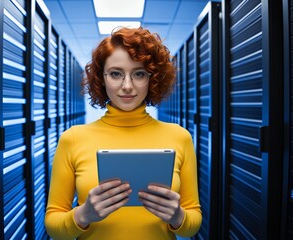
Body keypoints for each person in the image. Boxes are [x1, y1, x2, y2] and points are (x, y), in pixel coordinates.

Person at [45, 27, 202, 240]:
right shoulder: (72, 138)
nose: (127, 86)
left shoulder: (179, 137)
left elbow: (193, 223)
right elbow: (53, 228)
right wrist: (84, 215)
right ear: (102, 78)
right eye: (116, 74)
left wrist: (177, 216)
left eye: (138, 74)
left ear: (152, 78)